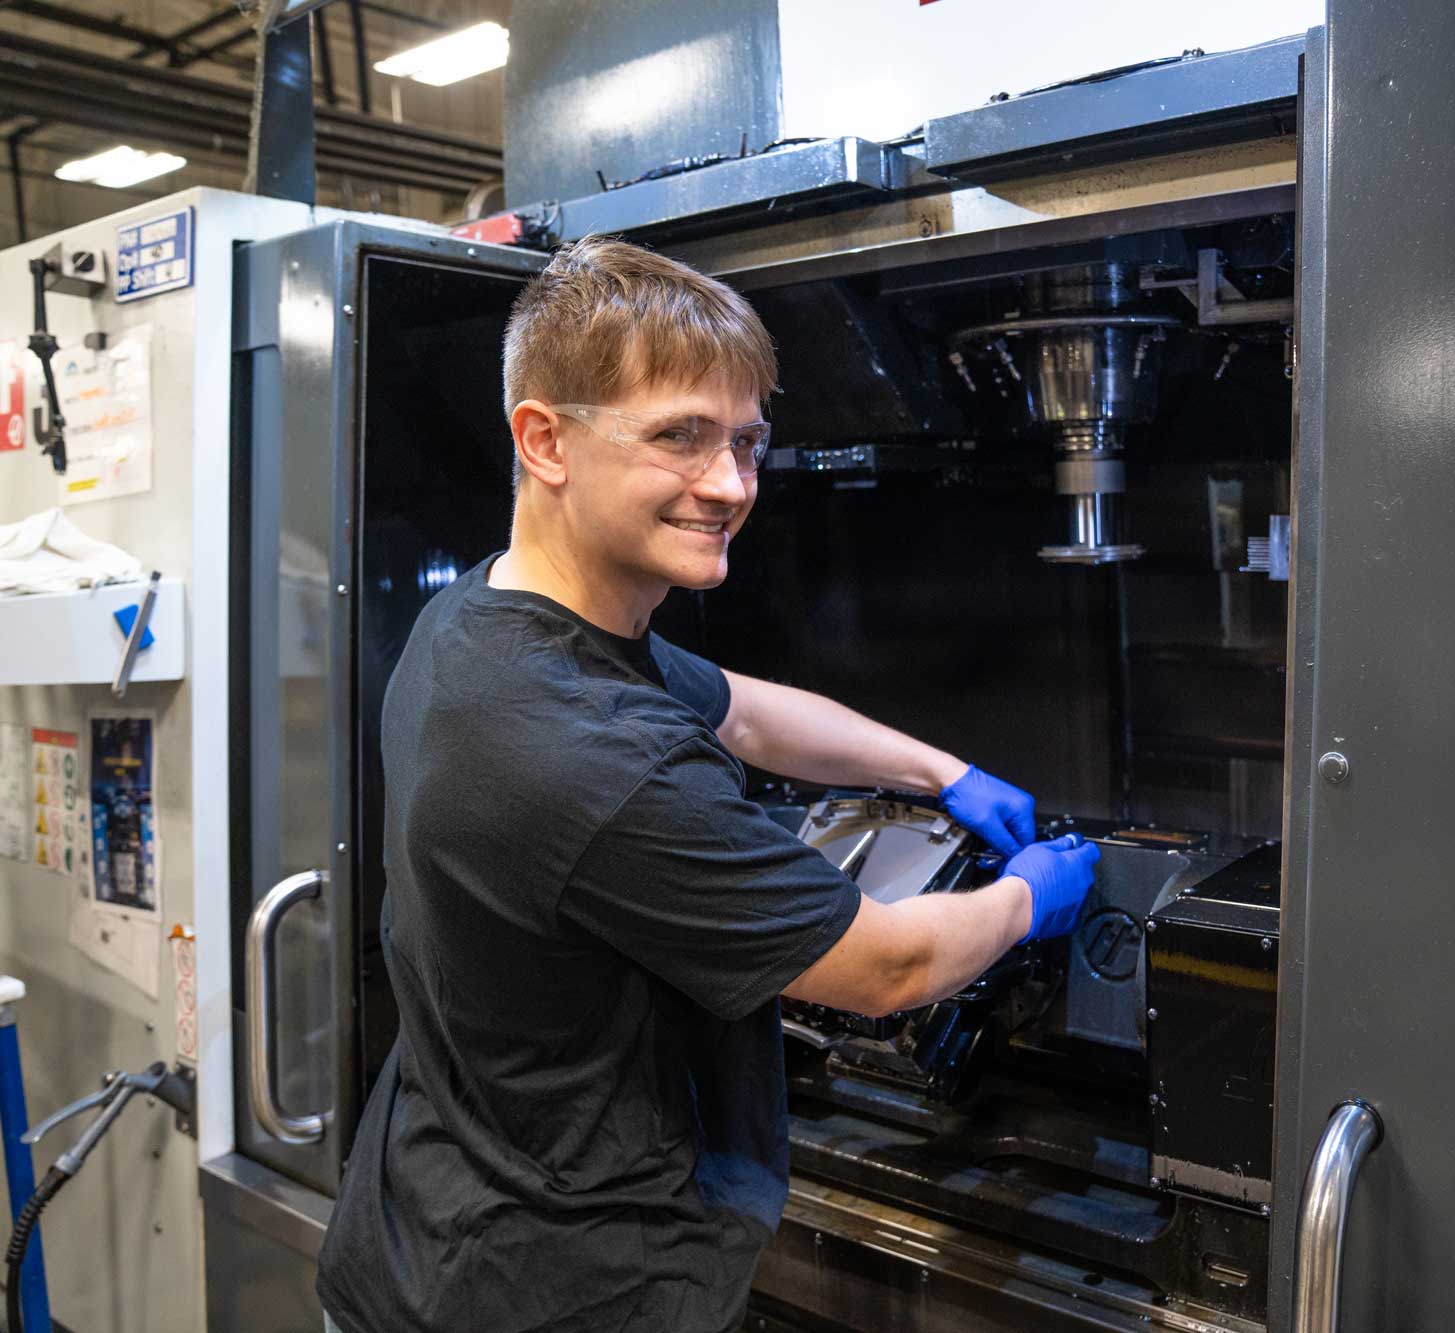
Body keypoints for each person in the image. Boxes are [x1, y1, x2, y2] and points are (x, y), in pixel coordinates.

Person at [315, 236, 1100, 1332]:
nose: (728, 484)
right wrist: (1032, 896)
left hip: (434, 1219)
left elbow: (743, 707)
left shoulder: (487, 620)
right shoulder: (590, 756)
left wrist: (942, 770)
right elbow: (890, 964)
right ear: (543, 439)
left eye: (744, 442)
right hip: (554, 1291)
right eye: (679, 437)